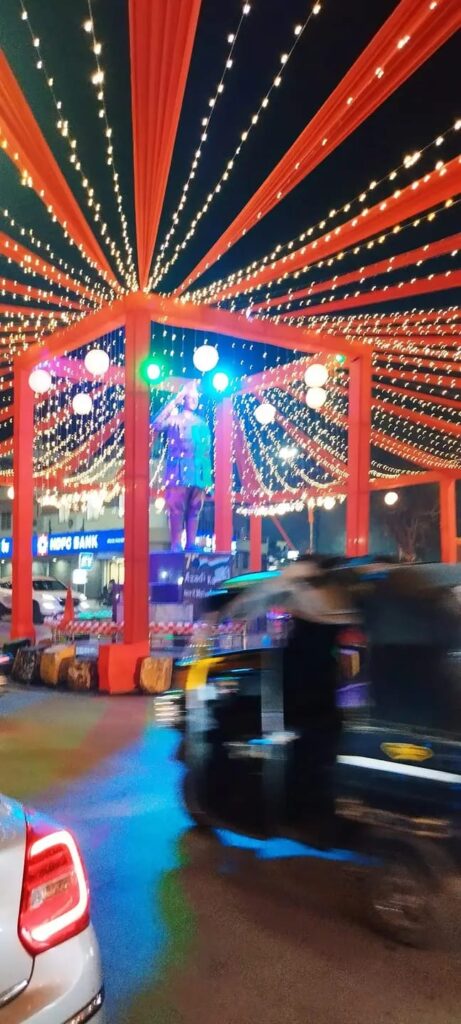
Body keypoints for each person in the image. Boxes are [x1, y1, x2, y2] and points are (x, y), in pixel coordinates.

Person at [152, 381, 212, 551]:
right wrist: (174, 400)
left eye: (196, 397)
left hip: (198, 472)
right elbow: (156, 423)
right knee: (176, 508)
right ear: (183, 398)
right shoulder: (174, 419)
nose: (194, 400)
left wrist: (208, 481)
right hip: (178, 470)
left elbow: (206, 452)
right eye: (190, 397)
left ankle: (191, 543)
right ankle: (176, 543)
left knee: (195, 509)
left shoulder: (201, 423)